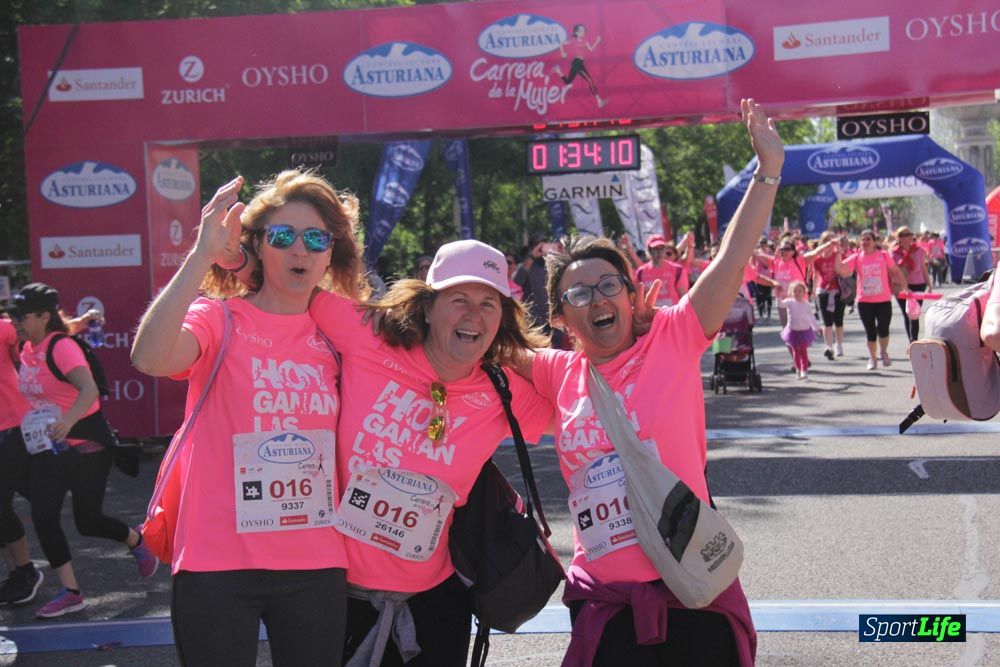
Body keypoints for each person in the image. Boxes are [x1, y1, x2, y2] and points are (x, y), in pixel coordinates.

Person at [511, 98, 780, 666]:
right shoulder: (557, 371)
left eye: (608, 285)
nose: (596, 300)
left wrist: (768, 171)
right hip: (607, 604)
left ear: (632, 296)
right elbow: (475, 338)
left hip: (693, 588)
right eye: (577, 294)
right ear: (560, 318)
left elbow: (731, 261)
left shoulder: (674, 337)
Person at [131, 171, 365, 665]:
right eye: (283, 236)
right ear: (258, 245)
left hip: (316, 561)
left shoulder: (340, 337)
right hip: (217, 560)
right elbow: (151, 358)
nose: (300, 250)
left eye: (316, 238)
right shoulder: (219, 319)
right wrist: (201, 256)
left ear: (330, 252)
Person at [307, 239, 553, 666]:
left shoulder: (502, 390)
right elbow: (289, 288)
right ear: (426, 305)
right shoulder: (370, 338)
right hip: (336, 596)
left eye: (489, 304)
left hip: (436, 603)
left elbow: (585, 408)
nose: (473, 314)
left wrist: (524, 356)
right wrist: (232, 253)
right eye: (459, 299)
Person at [9, 283, 155, 619]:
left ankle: (136, 541)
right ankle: (71, 592)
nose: (15, 321)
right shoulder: (30, 344)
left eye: (22, 316)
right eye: (13, 315)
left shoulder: (62, 348)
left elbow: (89, 390)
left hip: (87, 445)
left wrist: (66, 422)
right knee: (44, 517)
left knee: (87, 522)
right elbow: (59, 329)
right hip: (51, 448)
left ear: (43, 316)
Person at [0, 312, 43, 607]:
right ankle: (15, 573)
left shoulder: (4, 329)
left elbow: (36, 338)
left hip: (10, 428)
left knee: (1, 506)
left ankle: (27, 571)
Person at [836, 230, 905, 370]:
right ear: (860, 242)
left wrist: (904, 287)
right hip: (864, 301)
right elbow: (841, 270)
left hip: (883, 300)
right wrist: (837, 252)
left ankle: (883, 351)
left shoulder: (883, 256)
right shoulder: (856, 258)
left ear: (874, 242)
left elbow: (895, 271)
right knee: (871, 332)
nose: (866, 242)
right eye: (863, 239)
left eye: (868, 239)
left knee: (883, 329)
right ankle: (873, 359)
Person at [803, 231, 845, 359]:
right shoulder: (818, 259)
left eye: (832, 241)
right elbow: (815, 276)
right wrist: (815, 293)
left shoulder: (837, 254)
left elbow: (842, 269)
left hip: (838, 291)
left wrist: (838, 248)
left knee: (838, 321)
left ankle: (839, 344)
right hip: (823, 291)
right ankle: (828, 346)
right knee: (827, 321)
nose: (830, 244)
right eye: (827, 241)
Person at [890, 226, 932, 342]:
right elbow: (893, 272)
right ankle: (911, 341)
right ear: (899, 238)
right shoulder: (894, 253)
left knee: (914, 314)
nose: (908, 237)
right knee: (906, 313)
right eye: (904, 235)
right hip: (901, 287)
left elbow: (923, 269)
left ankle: (914, 341)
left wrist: (929, 285)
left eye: (909, 234)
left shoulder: (919, 251)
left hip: (918, 285)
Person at [553, 23, 607, 108]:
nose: (584, 31)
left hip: (580, 63)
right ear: (576, 32)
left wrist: (597, 41)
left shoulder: (585, 41)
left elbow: (591, 49)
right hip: (576, 63)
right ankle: (599, 101)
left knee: (568, 81)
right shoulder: (573, 40)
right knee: (590, 80)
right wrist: (562, 52)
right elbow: (561, 43)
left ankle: (559, 71)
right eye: (581, 30)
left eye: (584, 30)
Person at [779, 281, 821, 381]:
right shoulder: (790, 302)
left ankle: (804, 371)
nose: (797, 293)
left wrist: (817, 327)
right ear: (791, 292)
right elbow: (781, 304)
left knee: (803, 350)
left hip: (804, 331)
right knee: (795, 351)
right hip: (793, 331)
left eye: (800, 291)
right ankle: (798, 369)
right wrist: (779, 295)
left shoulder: (807, 305)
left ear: (804, 292)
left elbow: (811, 317)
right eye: (795, 291)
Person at [633, 234, 688, 308]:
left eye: (661, 248)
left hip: (672, 316)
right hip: (651, 317)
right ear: (649, 250)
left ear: (665, 249)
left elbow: (684, 298)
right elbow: (637, 298)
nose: (659, 252)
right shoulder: (641, 272)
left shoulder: (678, 270)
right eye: (655, 249)